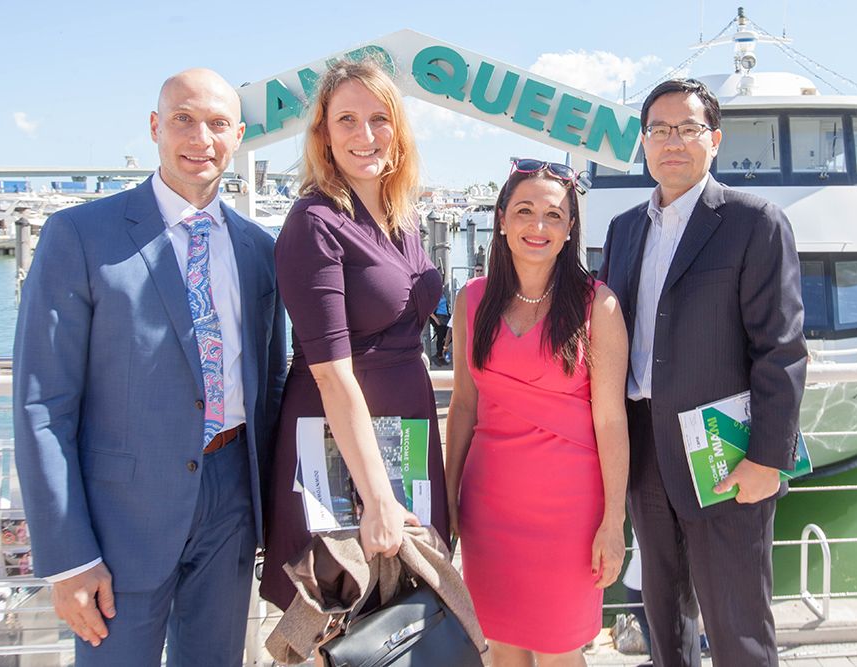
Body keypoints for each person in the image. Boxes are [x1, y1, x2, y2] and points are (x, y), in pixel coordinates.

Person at [12, 68, 286, 666]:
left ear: (238, 136)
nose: (201, 137)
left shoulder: (260, 250)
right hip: (120, 519)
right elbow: (41, 405)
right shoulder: (79, 235)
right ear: (156, 127)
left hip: (232, 503)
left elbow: (272, 388)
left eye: (218, 124)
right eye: (184, 119)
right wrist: (68, 556)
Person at [600, 78, 807, 666]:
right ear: (643, 142)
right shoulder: (623, 231)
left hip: (725, 453)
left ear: (713, 140)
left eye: (687, 129)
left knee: (738, 624)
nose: (673, 142)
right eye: (659, 130)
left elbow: (782, 350)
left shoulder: (754, 222)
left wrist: (769, 459)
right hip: (643, 453)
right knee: (665, 622)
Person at [259, 60, 449, 610]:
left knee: (404, 611)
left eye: (378, 118)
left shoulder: (403, 217)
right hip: (339, 449)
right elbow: (331, 375)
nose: (365, 135)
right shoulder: (313, 223)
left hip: (406, 433)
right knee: (339, 611)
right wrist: (378, 498)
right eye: (347, 119)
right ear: (323, 133)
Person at [446, 159, 629, 665]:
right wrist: (449, 495)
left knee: (559, 653)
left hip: (569, 514)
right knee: (500, 649)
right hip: (489, 506)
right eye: (525, 211)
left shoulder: (599, 306)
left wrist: (613, 522)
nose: (538, 226)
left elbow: (612, 421)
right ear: (501, 219)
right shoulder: (471, 300)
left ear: (570, 230)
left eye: (554, 215)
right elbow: (463, 405)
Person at [429, 281, 451, 365]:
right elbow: (429, 310)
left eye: (442, 287)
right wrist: (435, 319)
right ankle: (439, 356)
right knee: (441, 337)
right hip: (439, 317)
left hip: (446, 317)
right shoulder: (434, 297)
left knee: (448, 336)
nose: (441, 288)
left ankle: (442, 353)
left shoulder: (443, 296)